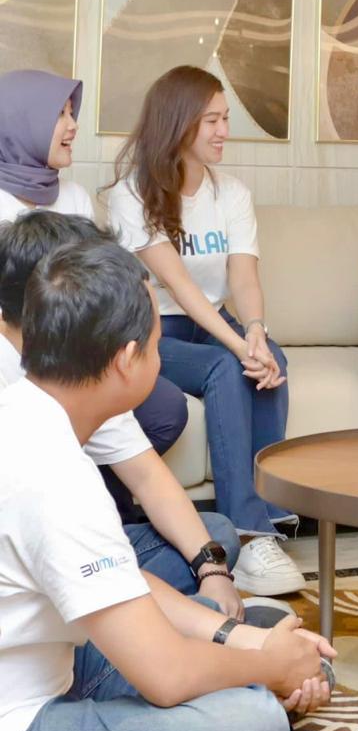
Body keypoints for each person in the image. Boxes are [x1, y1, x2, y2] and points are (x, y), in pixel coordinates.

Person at [0, 239, 333, 731]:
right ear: (128, 360)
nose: (159, 360)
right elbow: (166, 676)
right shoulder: (53, 472)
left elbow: (123, 584)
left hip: (53, 664)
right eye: (156, 345)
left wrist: (246, 640)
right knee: (254, 724)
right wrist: (271, 665)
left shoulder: (26, 413)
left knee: (236, 642)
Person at [105, 65, 305, 596]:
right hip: (152, 330)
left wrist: (256, 332)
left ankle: (269, 518)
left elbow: (244, 277)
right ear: (179, 123)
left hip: (216, 321)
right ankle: (245, 530)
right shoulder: (131, 195)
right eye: (212, 120)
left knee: (273, 359)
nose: (224, 131)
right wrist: (239, 347)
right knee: (226, 365)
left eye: (225, 118)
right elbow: (181, 288)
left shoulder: (231, 193)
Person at [0, 212, 244, 618]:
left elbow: (147, 476)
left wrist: (212, 569)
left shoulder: (76, 370)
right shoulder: (41, 444)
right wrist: (219, 631)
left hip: (68, 571)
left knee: (214, 535)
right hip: (32, 611)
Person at [0, 67, 188, 522]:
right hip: (23, 354)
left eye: (72, 113)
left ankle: (104, 514)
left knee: (166, 408)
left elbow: (102, 282)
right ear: (22, 121)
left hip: (86, 349)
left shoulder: (75, 197)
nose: (73, 125)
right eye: (59, 115)